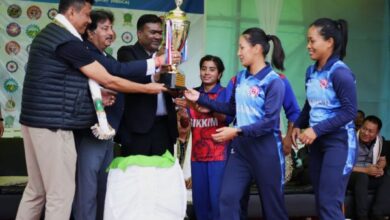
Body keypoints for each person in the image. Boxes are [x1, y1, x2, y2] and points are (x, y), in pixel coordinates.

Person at [16, 1, 167, 219]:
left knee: (36, 191)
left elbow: (63, 81)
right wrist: (146, 87)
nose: (88, 20)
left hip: (35, 120)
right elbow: (109, 78)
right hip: (53, 125)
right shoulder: (67, 40)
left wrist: (96, 94)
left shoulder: (49, 34)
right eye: (87, 15)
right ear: (71, 12)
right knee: (61, 195)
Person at [73, 10, 180, 220]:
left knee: (108, 185)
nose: (111, 33)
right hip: (96, 129)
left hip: (125, 131)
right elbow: (120, 73)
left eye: (111, 28)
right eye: (105, 28)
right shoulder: (118, 53)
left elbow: (112, 81)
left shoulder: (107, 56)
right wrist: (154, 73)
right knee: (95, 187)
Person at [185, 27, 288, 220]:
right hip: (240, 152)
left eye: (242, 48)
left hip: (265, 151)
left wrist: (236, 131)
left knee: (273, 208)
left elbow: (269, 123)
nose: (238, 52)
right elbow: (230, 109)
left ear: (257, 48)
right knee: (227, 199)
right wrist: (200, 97)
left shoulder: (274, 81)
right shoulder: (240, 77)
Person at [291, 18, 358, 220]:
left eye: (312, 41)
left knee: (330, 203)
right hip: (318, 144)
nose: (308, 46)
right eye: (308, 41)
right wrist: (298, 125)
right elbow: (311, 105)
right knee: (321, 201)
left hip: (339, 143)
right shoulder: (311, 72)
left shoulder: (340, 73)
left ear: (329, 42)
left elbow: (350, 112)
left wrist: (316, 130)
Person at [177, 55, 233, 220]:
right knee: (200, 203)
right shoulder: (191, 93)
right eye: (203, 68)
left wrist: (203, 106)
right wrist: (182, 115)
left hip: (219, 156)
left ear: (220, 74)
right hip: (197, 156)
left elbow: (227, 118)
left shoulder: (224, 94)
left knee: (217, 202)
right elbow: (184, 129)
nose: (207, 73)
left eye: (212, 69)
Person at [117, 14, 178, 156]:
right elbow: (131, 79)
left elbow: (172, 86)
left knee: (162, 174)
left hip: (165, 128)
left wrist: (177, 90)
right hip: (137, 130)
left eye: (160, 33)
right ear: (139, 33)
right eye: (153, 32)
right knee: (136, 175)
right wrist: (157, 67)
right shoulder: (127, 52)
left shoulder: (166, 57)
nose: (157, 36)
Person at [348, 115, 390, 220]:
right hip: (350, 176)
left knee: (386, 179)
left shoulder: (380, 141)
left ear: (377, 133)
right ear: (360, 127)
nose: (366, 133)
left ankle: (377, 213)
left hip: (368, 175)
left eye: (370, 131)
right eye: (364, 129)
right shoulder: (349, 140)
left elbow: (382, 159)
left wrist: (380, 167)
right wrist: (366, 170)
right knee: (362, 177)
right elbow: (340, 166)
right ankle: (362, 217)